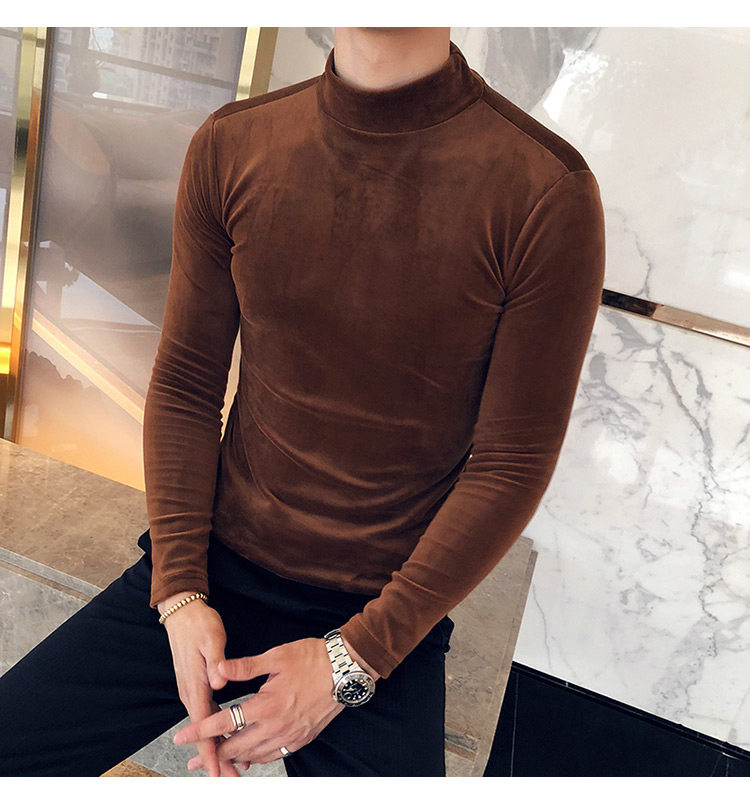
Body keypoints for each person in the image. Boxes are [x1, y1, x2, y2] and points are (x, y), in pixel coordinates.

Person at [0, 26, 605, 777]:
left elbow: (511, 463)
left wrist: (356, 659)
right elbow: (187, 381)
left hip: (378, 611)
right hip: (215, 565)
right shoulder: (233, 144)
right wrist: (179, 591)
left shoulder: (545, 190)